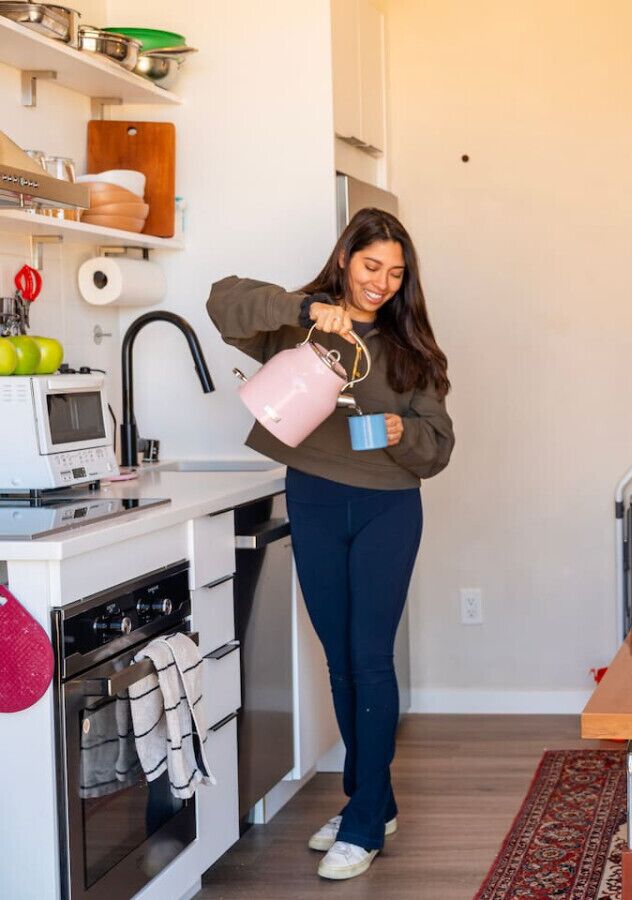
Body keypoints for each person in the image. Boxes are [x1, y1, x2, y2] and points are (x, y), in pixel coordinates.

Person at [206, 208, 454, 880]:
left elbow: (440, 449)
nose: (381, 282)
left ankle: (365, 823)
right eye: (372, 266)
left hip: (387, 510)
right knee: (339, 662)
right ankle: (375, 799)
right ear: (345, 259)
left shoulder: (412, 351)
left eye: (395, 273)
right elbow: (220, 299)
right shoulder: (297, 322)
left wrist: (408, 435)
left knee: (369, 658)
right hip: (313, 499)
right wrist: (308, 308)